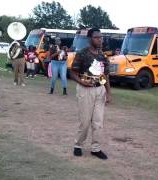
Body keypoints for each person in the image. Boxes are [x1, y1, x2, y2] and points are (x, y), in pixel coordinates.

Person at [70, 28, 112, 160]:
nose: (100, 39)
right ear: (90, 39)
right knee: (85, 121)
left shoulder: (103, 56)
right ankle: (78, 145)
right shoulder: (82, 54)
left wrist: (108, 92)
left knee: (98, 122)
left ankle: (96, 148)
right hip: (85, 90)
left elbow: (104, 76)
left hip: (100, 90)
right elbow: (73, 73)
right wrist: (82, 83)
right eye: (97, 37)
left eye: (101, 37)